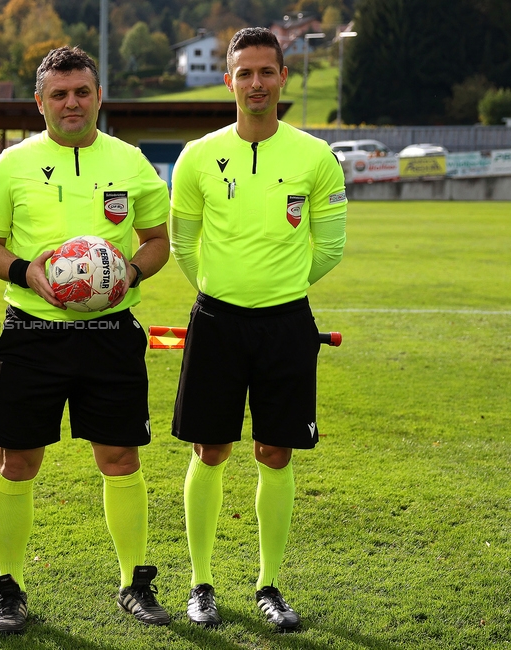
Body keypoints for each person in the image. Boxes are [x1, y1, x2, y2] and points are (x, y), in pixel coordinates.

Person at [0, 46, 171, 633]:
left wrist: (130, 272)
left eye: (82, 91)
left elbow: (158, 240)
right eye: (58, 94)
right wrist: (25, 272)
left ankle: (135, 581)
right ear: (40, 102)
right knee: (17, 461)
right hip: (32, 332)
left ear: (98, 96)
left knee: (119, 457)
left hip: (110, 334)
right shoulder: (12, 163)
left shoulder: (131, 161)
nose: (71, 103)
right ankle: (10, 588)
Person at [169, 27, 347, 631]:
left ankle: (269, 584)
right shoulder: (197, 156)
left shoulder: (316, 156)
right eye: (244, 73)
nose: (256, 84)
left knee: (276, 451)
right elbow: (183, 244)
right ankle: (201, 584)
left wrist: (278, 286)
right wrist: (224, 288)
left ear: (283, 78)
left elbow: (330, 248)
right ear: (228, 81)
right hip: (216, 321)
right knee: (209, 449)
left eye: (266, 72)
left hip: (287, 323)